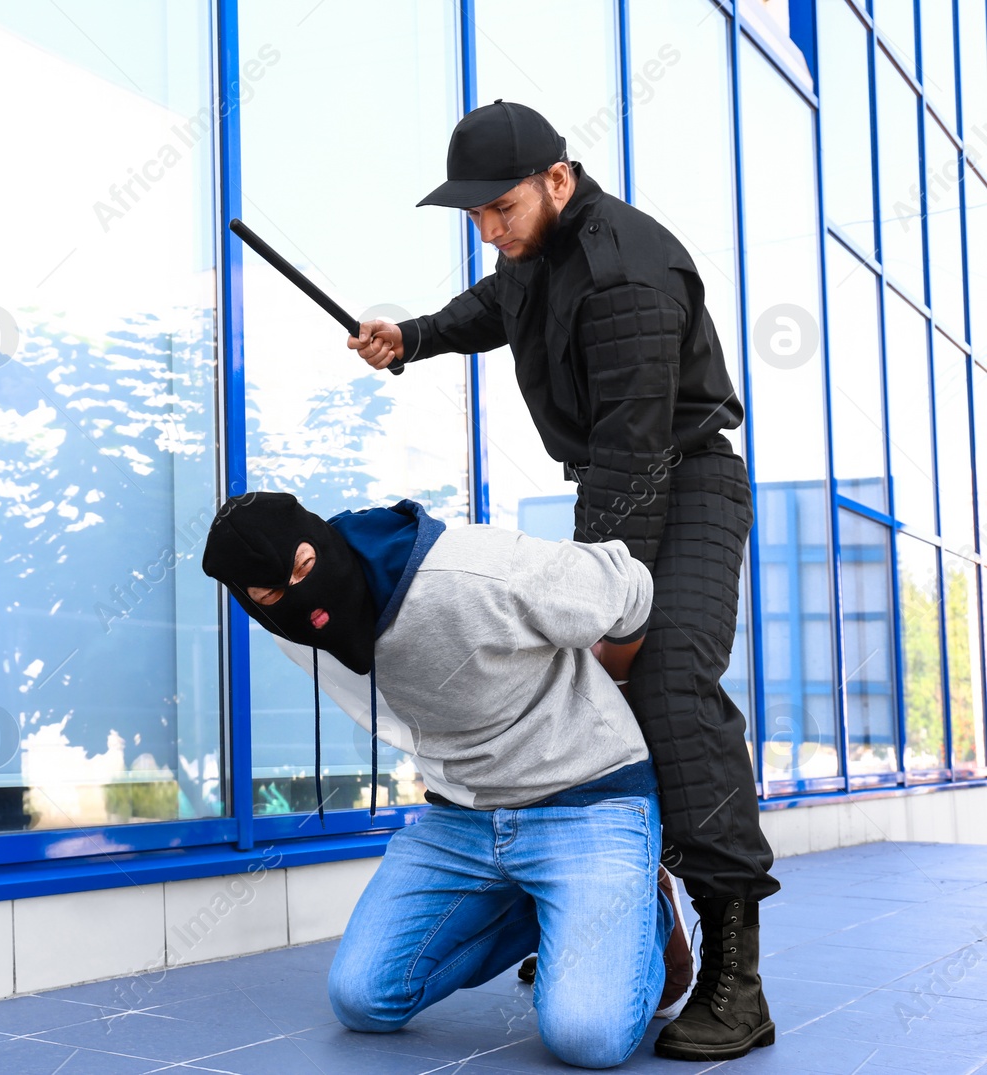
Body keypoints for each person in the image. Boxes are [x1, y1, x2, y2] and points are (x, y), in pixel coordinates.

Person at [348, 100, 776, 1061]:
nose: (489, 233)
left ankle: (738, 979)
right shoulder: (531, 253)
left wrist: (599, 607)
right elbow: (495, 307)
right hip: (620, 486)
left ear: (559, 179)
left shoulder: (627, 275)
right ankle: (614, 913)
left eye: (499, 209)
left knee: (665, 689)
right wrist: (409, 337)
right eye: (475, 220)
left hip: (687, 480)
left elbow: (632, 460)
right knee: (591, 685)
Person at [201, 491, 709, 1069]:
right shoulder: (292, 633)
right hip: (461, 819)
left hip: (587, 800)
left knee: (585, 1039)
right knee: (363, 1000)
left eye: (306, 570)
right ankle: (553, 909)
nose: (302, 601)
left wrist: (611, 681)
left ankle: (653, 909)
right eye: (271, 596)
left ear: (320, 540)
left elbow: (629, 584)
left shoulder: (472, 568)